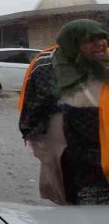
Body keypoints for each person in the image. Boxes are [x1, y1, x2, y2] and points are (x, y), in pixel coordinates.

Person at [19, 19, 109, 204]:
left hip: (104, 142)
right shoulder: (46, 67)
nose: (101, 44)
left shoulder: (105, 64)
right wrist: (36, 140)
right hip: (69, 147)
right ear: (73, 42)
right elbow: (34, 107)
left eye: (103, 38)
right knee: (77, 200)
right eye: (91, 40)